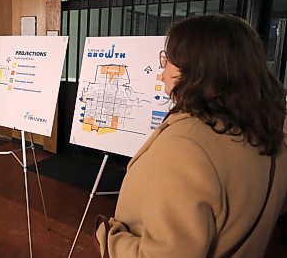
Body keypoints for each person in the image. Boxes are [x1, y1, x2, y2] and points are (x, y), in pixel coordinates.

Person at [95, 14, 287, 257]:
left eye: (168, 60)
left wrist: (110, 239)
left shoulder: (187, 145)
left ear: (196, 69)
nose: (162, 71)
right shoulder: (270, 130)